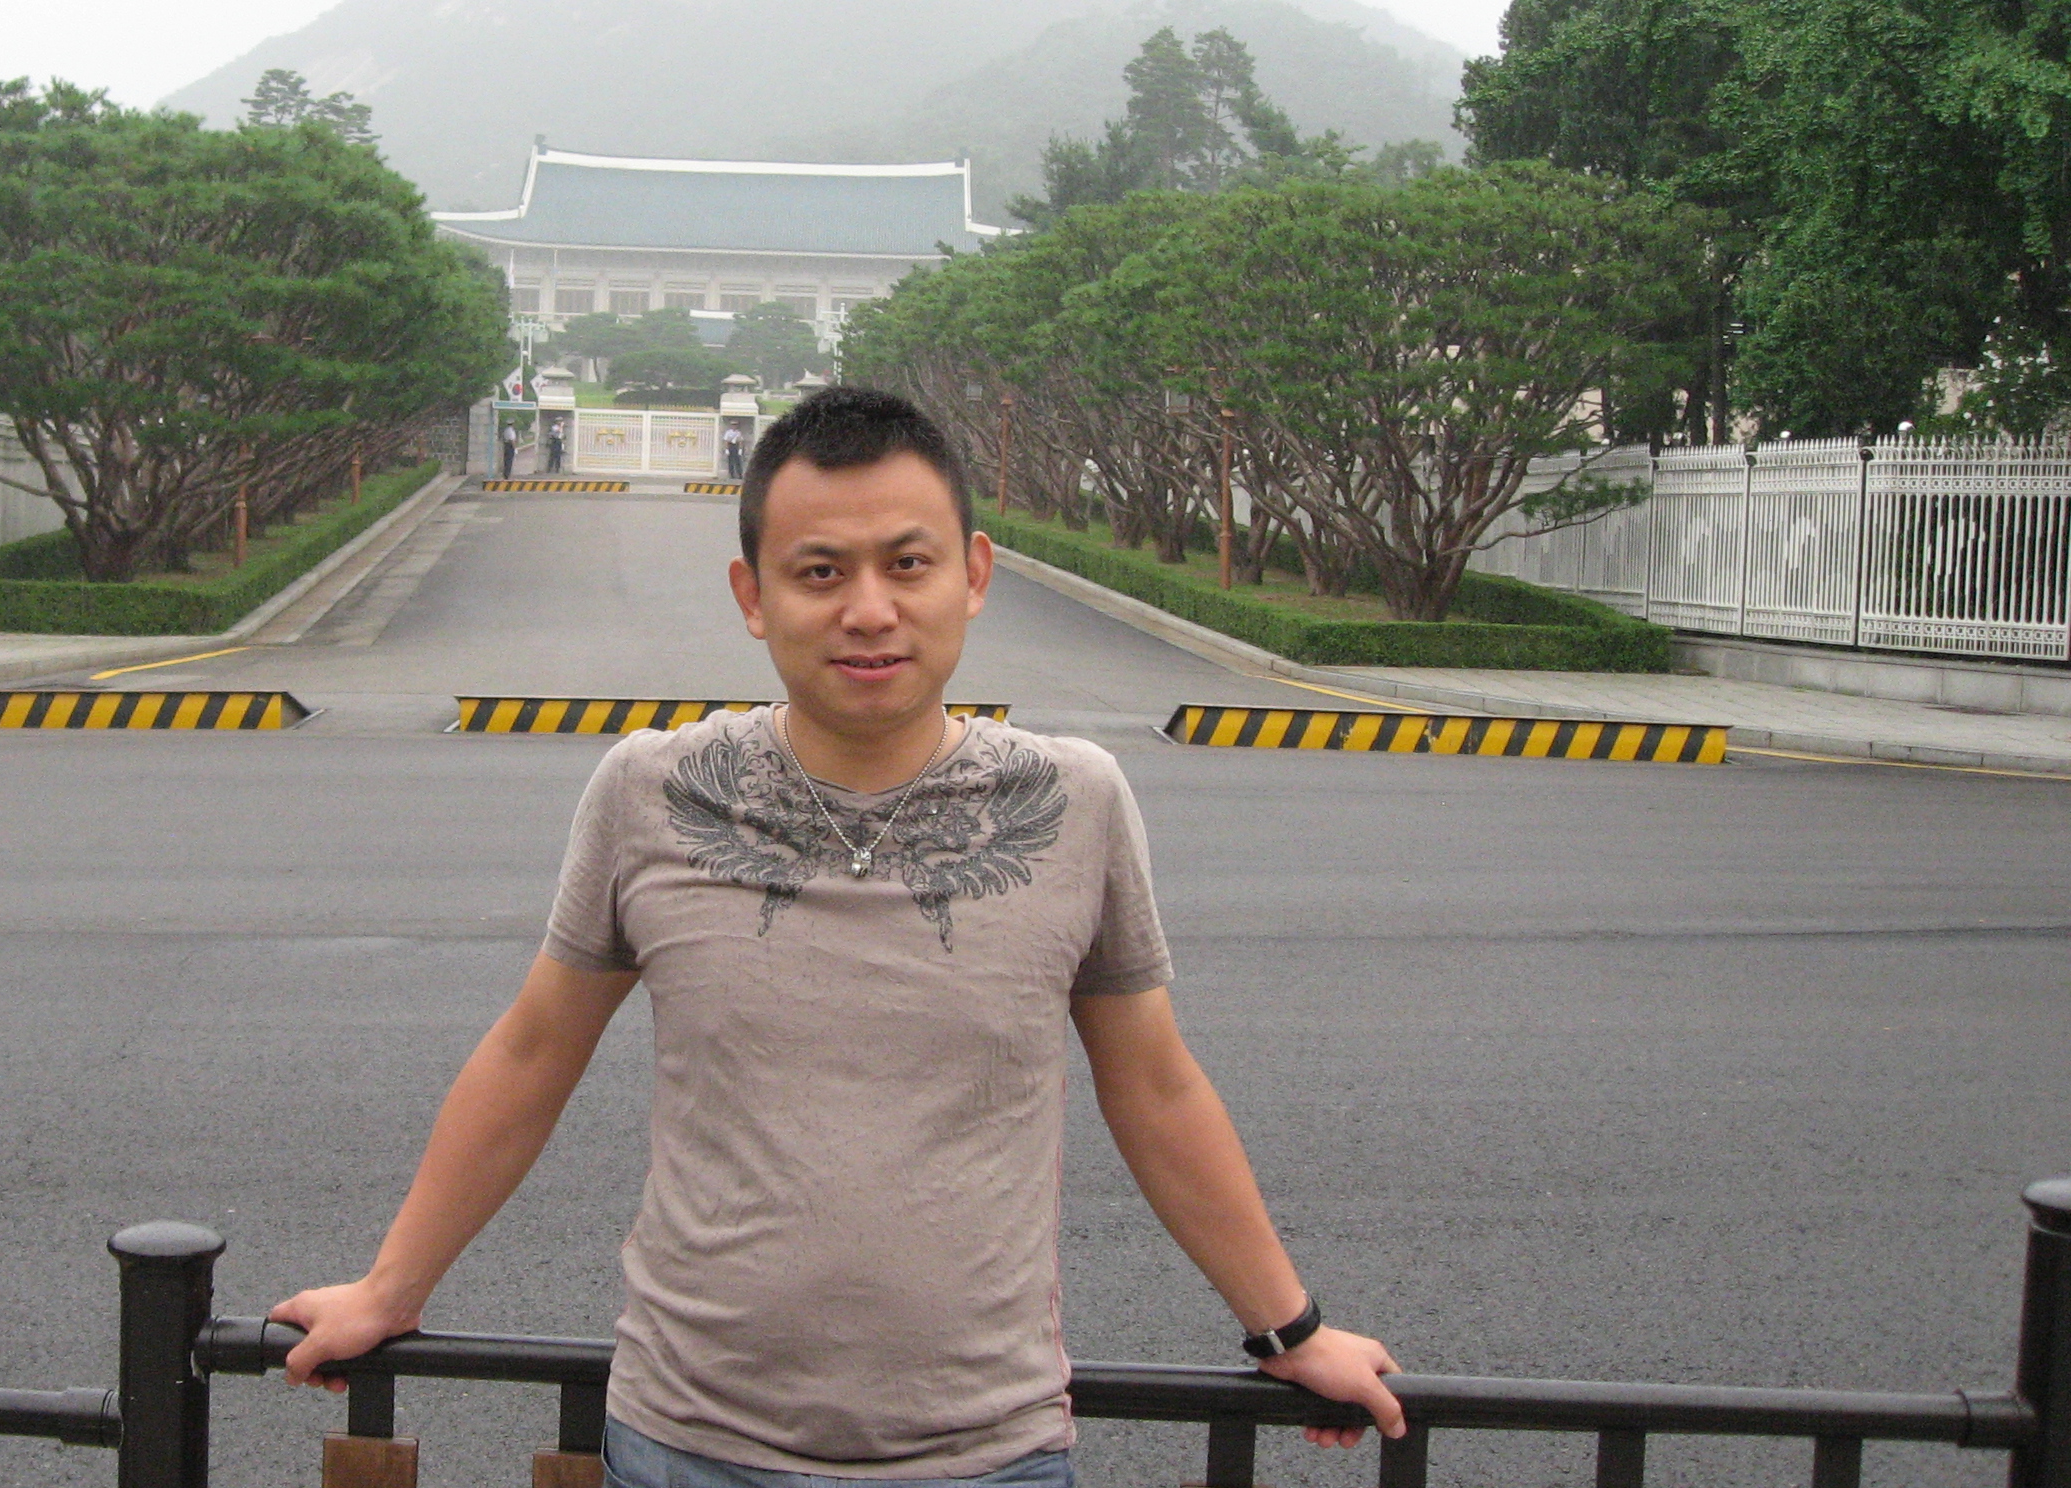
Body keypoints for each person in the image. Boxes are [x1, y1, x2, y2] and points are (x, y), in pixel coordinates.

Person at [274, 386, 1403, 1486]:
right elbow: (532, 1055)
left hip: (987, 1454)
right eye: (820, 572)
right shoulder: (652, 791)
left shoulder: (1075, 801)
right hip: (685, 1444)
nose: (868, 610)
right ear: (752, 594)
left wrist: (1290, 1328)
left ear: (973, 575)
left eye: (907, 564)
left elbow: (1154, 1087)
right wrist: (390, 1290)